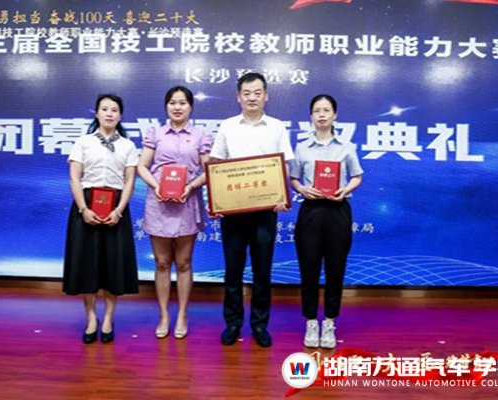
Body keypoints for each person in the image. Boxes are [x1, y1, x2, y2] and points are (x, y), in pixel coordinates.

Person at [209, 72, 295, 348]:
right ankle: (233, 323)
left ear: (266, 96)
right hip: (233, 211)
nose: (252, 98)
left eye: (258, 93)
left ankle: (259, 324)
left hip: (265, 211)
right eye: (247, 93)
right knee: (232, 270)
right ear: (238, 97)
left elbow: (285, 166)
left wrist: (282, 195)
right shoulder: (227, 126)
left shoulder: (277, 127)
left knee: (262, 270)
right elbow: (216, 164)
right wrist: (217, 200)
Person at [137, 86, 213, 340]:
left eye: (182, 103)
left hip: (187, 203)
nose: (177, 107)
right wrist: (157, 186)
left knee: (183, 262)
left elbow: (209, 170)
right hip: (159, 202)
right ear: (166, 106)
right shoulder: (155, 133)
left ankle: (181, 314)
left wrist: (190, 186)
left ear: (191, 107)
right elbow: (142, 166)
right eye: (172, 102)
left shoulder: (201, 135)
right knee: (161, 262)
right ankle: (163, 315)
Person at [63, 94, 139, 344]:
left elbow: (130, 181)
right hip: (86, 206)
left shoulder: (128, 146)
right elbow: (75, 178)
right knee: (87, 265)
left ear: (120, 115)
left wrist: (119, 210)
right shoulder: (83, 142)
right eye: (104, 109)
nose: (109, 113)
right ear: (96, 114)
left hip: (116, 207)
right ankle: (91, 319)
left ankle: (108, 318)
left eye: (114, 110)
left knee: (112, 266)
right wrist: (83, 209)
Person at [289, 94, 363, 348]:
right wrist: (302, 189)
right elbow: (294, 178)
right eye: (317, 110)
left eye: (326, 110)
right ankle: (311, 321)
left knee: (335, 269)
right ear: (311, 116)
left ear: (335, 115)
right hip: (310, 211)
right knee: (308, 269)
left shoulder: (347, 147)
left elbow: (357, 175)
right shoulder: (302, 147)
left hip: (337, 211)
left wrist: (345, 189)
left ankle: (330, 321)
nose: (321, 114)